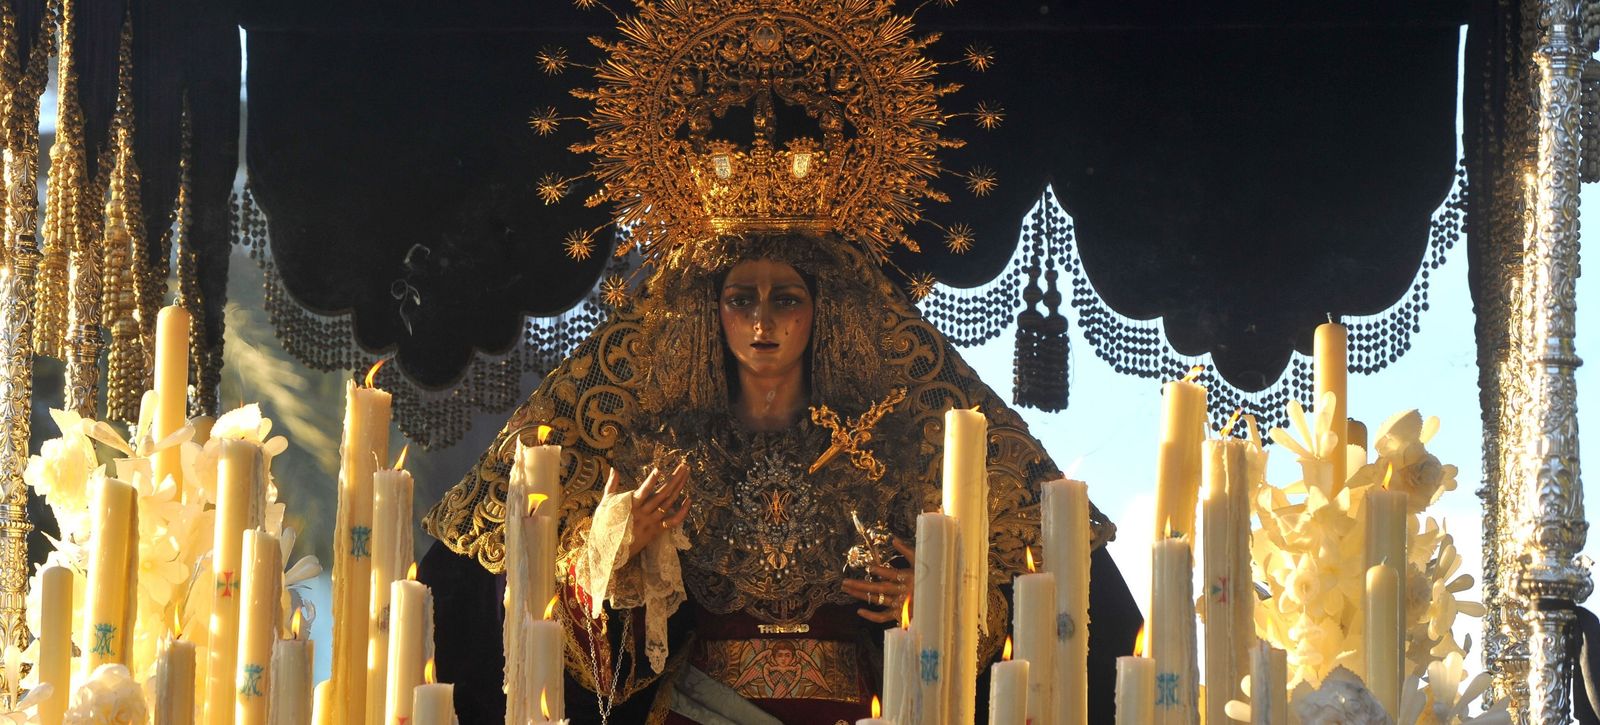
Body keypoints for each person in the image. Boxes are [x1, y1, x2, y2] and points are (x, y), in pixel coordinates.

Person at [420, 232, 1140, 723]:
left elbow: (1005, 602)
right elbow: (594, 650)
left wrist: (937, 598)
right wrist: (614, 546)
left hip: (853, 707)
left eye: (786, 297)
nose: (763, 319)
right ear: (715, 311)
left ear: (819, 311)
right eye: (743, 297)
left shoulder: (887, 445)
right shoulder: (666, 447)